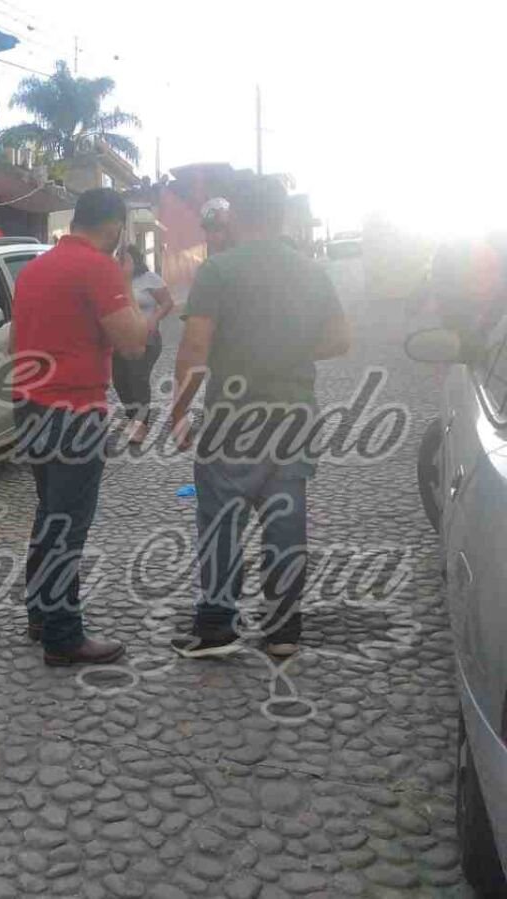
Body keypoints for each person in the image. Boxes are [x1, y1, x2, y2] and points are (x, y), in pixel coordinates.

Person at [169, 175, 350, 660]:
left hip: (233, 421)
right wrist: (285, 349)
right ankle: (284, 629)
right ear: (281, 215)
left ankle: (216, 628)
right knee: (285, 521)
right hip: (293, 417)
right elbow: (339, 340)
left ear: (233, 216)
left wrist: (179, 412)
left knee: (222, 521)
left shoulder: (219, 271)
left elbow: (194, 348)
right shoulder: (309, 271)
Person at [12, 188, 150, 666]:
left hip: (29, 407)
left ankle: (39, 613)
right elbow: (133, 342)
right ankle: (63, 637)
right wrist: (130, 287)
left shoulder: (34, 269)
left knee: (49, 514)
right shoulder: (98, 266)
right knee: (67, 524)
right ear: (114, 225)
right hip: (73, 412)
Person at [114, 245, 175, 443]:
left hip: (146, 338)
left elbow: (167, 303)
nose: (120, 261)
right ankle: (133, 416)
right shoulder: (114, 280)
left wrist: (155, 318)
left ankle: (140, 425)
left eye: (125, 258)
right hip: (120, 338)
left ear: (135, 260)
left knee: (137, 378)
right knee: (120, 380)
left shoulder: (150, 279)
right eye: (118, 257)